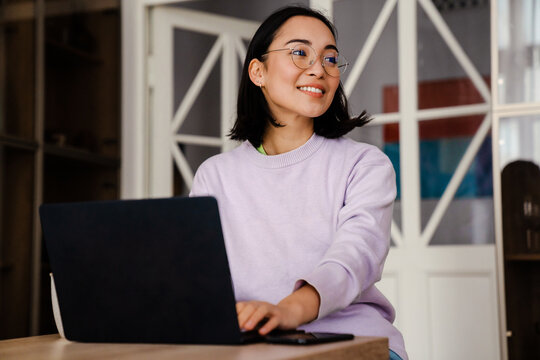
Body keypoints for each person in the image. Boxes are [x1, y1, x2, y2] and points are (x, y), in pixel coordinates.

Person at [189, 5, 407, 360]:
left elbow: (354, 257)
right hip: (254, 345)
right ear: (258, 71)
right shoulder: (215, 175)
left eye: (331, 58)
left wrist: (287, 311)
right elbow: (200, 278)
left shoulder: (364, 164)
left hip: (352, 341)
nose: (319, 69)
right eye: (300, 53)